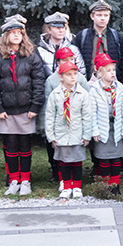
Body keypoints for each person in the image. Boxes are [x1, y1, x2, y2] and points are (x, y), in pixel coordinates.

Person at [0, 15, 46, 196]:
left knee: (25, 145)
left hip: (26, 109)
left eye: (19, 33)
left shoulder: (31, 56)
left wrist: (35, 106)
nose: (16, 36)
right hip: (6, 110)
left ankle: (26, 180)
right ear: (5, 36)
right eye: (12, 33)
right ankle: (13, 179)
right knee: (10, 144)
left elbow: (39, 81)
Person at [38, 46, 90, 186]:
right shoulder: (51, 80)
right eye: (65, 60)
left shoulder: (79, 78)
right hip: (59, 123)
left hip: (76, 122)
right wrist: (46, 127)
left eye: (71, 59)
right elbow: (48, 107)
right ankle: (60, 176)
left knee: (74, 153)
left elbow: (87, 101)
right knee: (58, 152)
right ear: (58, 62)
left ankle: (76, 181)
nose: (69, 61)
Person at [45, 60, 94, 199]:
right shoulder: (55, 95)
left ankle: (77, 186)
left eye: (75, 74)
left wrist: (86, 135)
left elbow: (87, 116)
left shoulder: (82, 94)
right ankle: (66, 186)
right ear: (61, 77)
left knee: (77, 161)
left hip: (77, 134)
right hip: (61, 135)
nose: (73, 77)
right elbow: (50, 116)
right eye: (68, 74)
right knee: (64, 162)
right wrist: (51, 136)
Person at [91, 53, 123, 195]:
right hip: (102, 129)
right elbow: (91, 112)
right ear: (100, 72)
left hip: (117, 129)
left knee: (115, 158)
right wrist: (94, 131)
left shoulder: (119, 88)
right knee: (103, 159)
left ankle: (116, 186)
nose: (112, 73)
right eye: (108, 70)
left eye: (113, 70)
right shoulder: (94, 90)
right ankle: (105, 186)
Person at [73, 0, 123, 81]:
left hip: (111, 81)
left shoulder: (116, 36)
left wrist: (119, 77)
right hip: (88, 81)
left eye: (106, 15)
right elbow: (75, 59)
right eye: (99, 15)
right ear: (92, 16)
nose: (102, 18)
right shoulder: (82, 36)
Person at [37, 12, 86, 78]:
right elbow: (37, 76)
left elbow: (82, 74)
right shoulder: (40, 51)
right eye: (57, 28)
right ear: (49, 30)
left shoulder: (73, 50)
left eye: (63, 28)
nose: (61, 30)